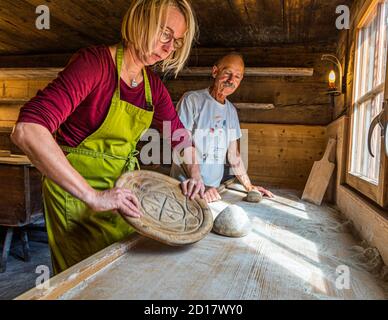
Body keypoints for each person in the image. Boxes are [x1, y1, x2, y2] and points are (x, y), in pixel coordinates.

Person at [11, 0, 204, 274]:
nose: (169, 48)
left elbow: (180, 138)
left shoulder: (154, 88)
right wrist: (93, 196)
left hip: (122, 195)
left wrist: (195, 175)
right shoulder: (94, 65)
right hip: (76, 198)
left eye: (177, 41)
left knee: (118, 274)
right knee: (84, 281)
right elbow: (28, 129)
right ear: (141, 20)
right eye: (165, 34)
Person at [171, 53, 274, 203]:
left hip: (213, 191)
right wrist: (199, 183)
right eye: (227, 73)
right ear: (215, 72)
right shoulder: (191, 100)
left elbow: (233, 155)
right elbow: (181, 143)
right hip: (184, 187)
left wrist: (249, 186)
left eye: (238, 76)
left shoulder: (231, 111)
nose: (232, 80)